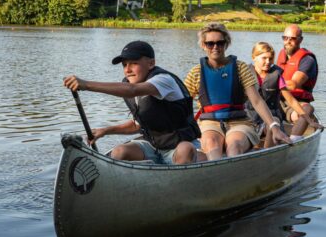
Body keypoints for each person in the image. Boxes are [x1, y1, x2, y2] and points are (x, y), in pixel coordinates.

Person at [63, 40, 201, 165]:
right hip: (153, 146)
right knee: (119, 152)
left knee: (185, 149)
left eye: (134, 63)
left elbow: (132, 90)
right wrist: (105, 131)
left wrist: (86, 85)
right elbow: (138, 125)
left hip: (179, 146)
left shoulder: (163, 80)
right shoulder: (130, 84)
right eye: (124, 65)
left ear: (151, 63)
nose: (127, 70)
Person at [183, 23, 290, 160]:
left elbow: (257, 101)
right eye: (210, 43)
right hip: (209, 122)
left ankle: (232, 173)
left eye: (220, 43)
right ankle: (216, 174)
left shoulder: (240, 68)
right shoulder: (196, 72)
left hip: (239, 122)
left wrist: (274, 127)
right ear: (204, 45)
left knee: (234, 145)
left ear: (226, 44)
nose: (215, 47)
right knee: (212, 145)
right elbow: (182, 105)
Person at [248, 42, 321, 147]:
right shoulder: (245, 73)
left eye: (271, 58)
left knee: (274, 123)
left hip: (271, 119)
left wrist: (310, 121)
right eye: (264, 58)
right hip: (250, 118)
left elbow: (291, 100)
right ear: (254, 57)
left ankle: (267, 155)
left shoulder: (276, 76)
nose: (268, 62)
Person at [276, 24, 319, 139]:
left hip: (296, 101)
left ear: (300, 40)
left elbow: (294, 84)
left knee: (307, 109)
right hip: (277, 98)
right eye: (285, 38)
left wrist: (272, 85)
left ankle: (294, 140)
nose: (288, 41)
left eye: (292, 38)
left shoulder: (307, 60)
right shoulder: (280, 56)